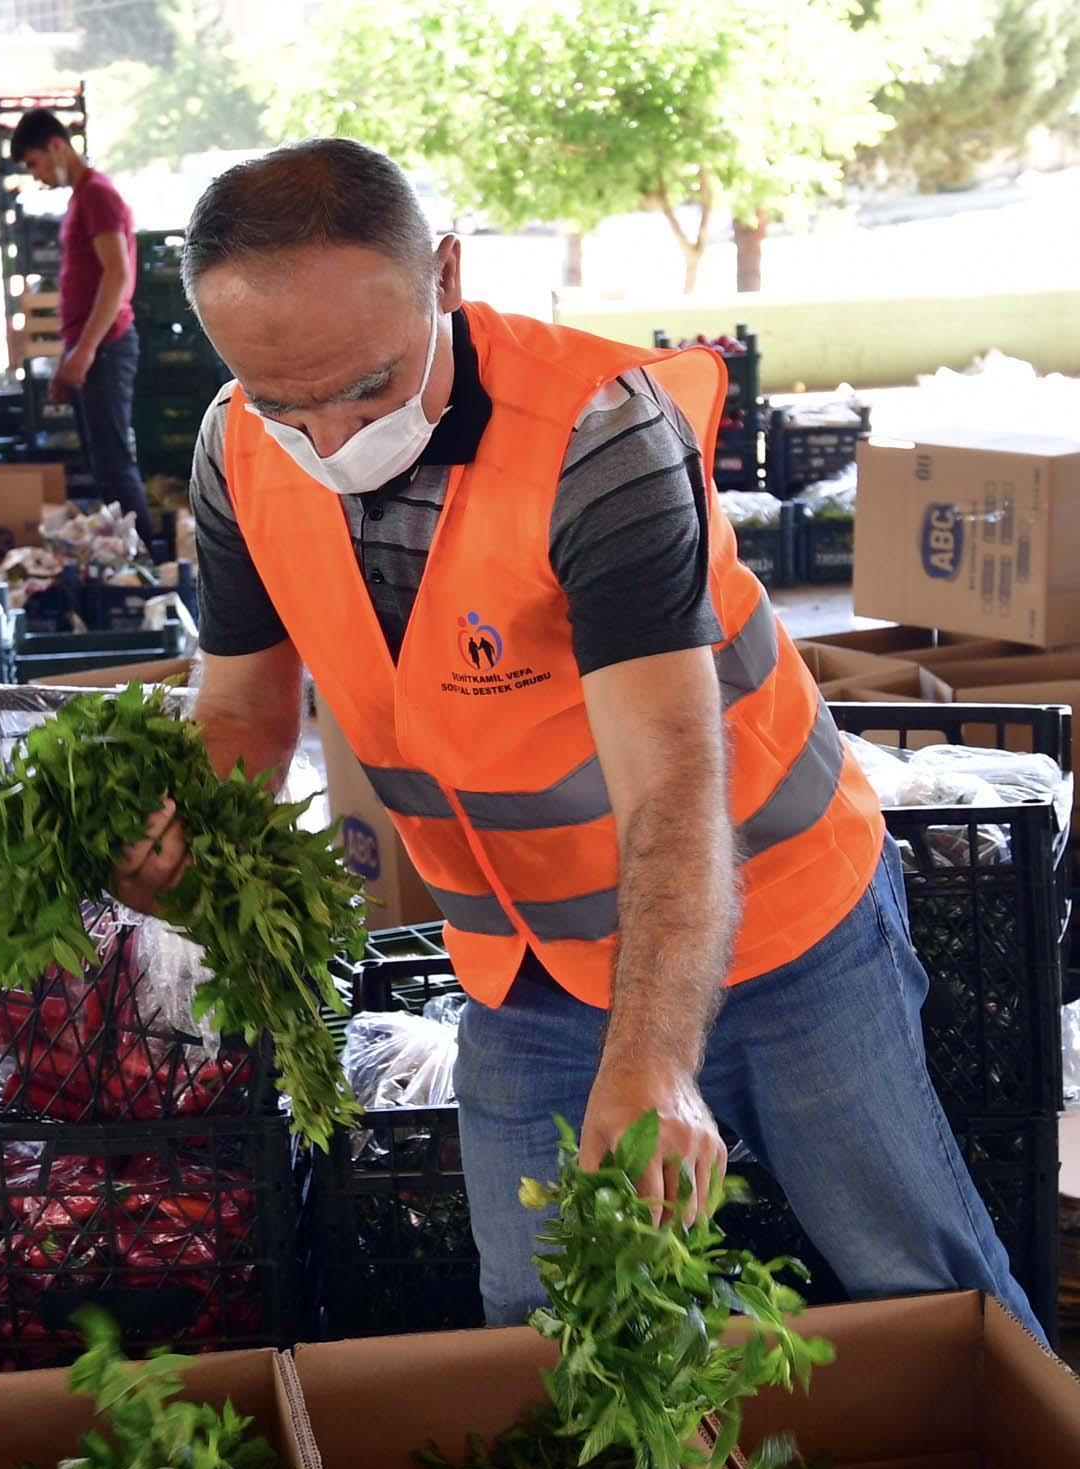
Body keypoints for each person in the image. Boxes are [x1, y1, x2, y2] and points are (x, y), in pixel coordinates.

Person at [117, 138, 1044, 1341]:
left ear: (444, 273)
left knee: (913, 1276)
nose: (331, 437)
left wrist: (655, 1061)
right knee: (555, 1319)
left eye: (367, 385)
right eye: (284, 400)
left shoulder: (595, 437)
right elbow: (240, 710)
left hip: (769, 908)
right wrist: (180, 829)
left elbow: (670, 782)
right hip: (530, 956)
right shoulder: (237, 452)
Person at [8, 107, 153, 541]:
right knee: (101, 467)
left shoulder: (97, 195)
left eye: (34, 163)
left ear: (56, 145)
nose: (36, 175)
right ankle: (121, 566)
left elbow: (118, 275)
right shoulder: (81, 200)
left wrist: (86, 351)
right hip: (92, 349)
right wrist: (70, 357)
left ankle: (146, 571)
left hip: (107, 347)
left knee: (113, 465)